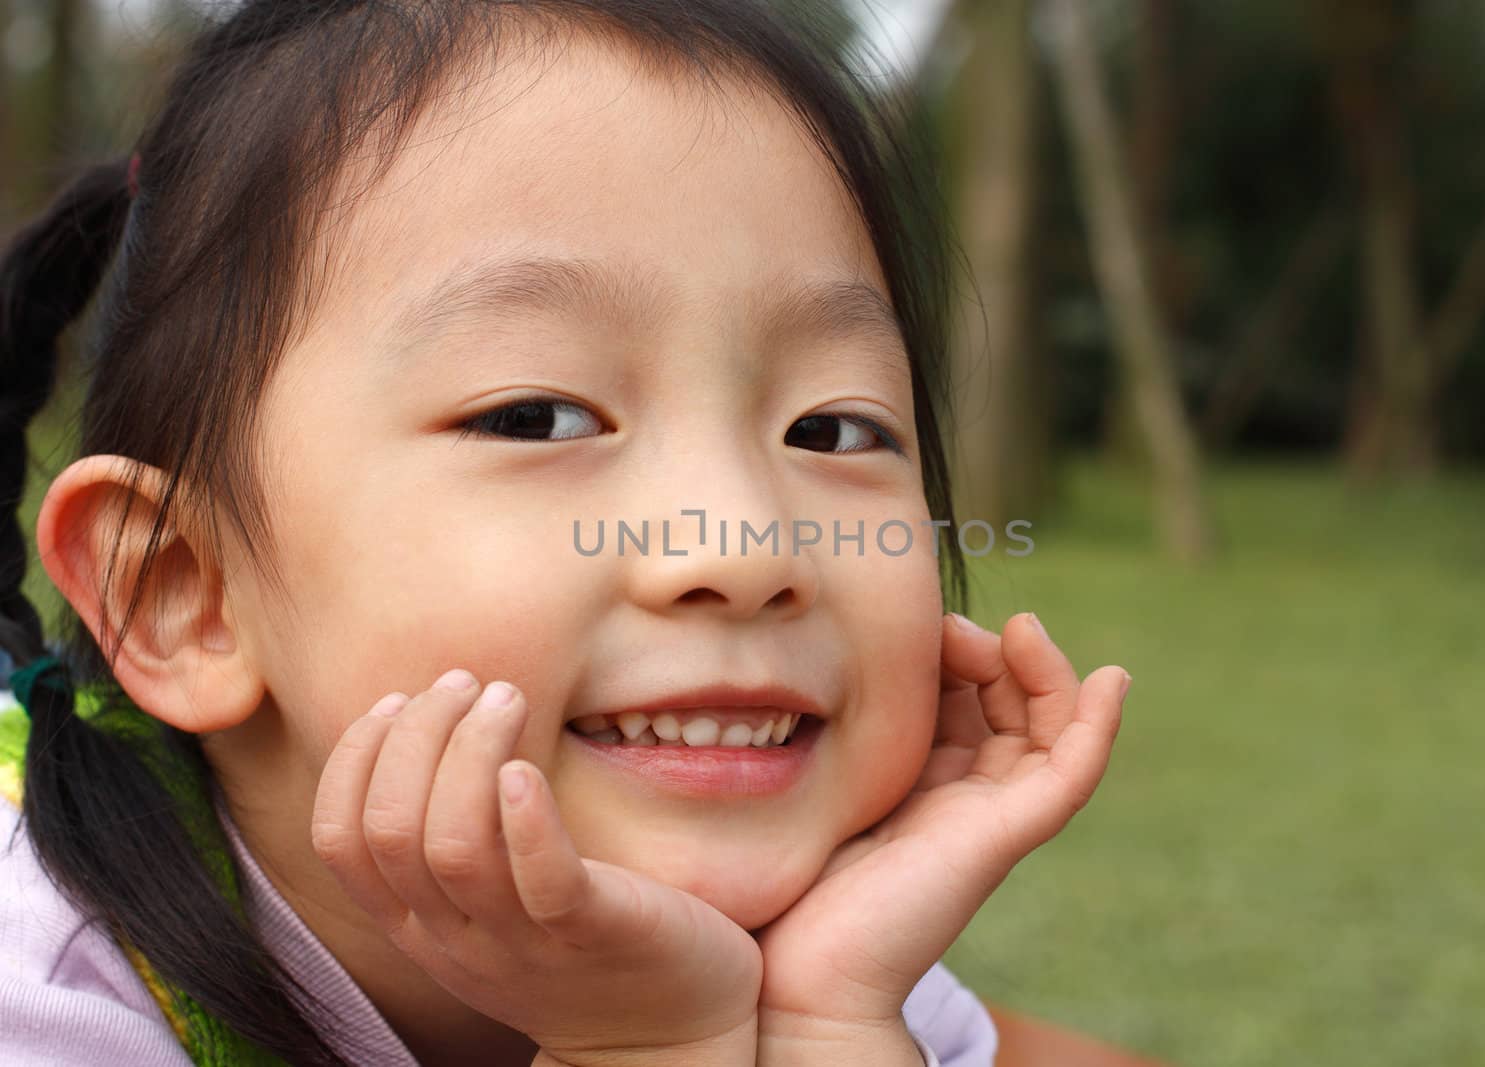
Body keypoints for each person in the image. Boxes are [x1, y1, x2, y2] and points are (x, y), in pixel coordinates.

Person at [0, 2, 1132, 1065]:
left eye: (831, 427)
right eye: (534, 416)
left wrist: (830, 1022)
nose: (741, 548)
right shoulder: (39, 995)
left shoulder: (841, 959)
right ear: (183, 591)